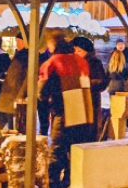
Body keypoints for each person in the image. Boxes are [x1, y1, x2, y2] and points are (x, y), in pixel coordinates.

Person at [40, 36, 95, 188]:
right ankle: (71, 182)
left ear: (53, 46)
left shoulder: (54, 62)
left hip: (65, 114)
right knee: (76, 152)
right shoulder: (81, 61)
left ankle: (54, 184)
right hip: (84, 115)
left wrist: (43, 99)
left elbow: (42, 92)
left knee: (56, 152)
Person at [0, 34, 31, 130]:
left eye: (18, 42)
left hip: (16, 93)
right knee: (8, 119)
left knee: (16, 122)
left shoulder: (27, 56)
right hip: (10, 91)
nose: (16, 44)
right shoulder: (19, 54)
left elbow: (29, 77)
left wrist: (21, 95)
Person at [72, 36, 108, 136]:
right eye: (75, 51)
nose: (76, 53)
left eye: (79, 51)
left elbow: (102, 82)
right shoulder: (73, 63)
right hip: (75, 102)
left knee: (88, 131)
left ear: (87, 51)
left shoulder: (94, 63)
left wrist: (84, 83)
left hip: (91, 102)